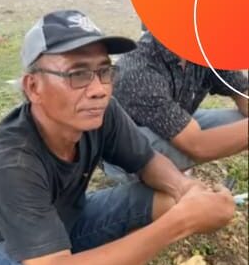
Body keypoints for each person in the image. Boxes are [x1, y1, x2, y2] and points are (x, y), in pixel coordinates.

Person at [0, 11, 236, 265]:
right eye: (77, 74)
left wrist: (187, 191)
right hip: (4, 244)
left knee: (168, 197)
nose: (99, 88)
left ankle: (70, 251)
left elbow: (146, 161)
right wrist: (180, 223)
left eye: (105, 71)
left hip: (69, 219)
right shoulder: (11, 161)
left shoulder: (101, 112)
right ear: (33, 87)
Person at [106, 32, 248, 179]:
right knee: (237, 134)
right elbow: (197, 146)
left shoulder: (203, 48)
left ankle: (177, 168)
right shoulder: (139, 70)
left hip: (174, 124)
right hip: (129, 150)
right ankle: (148, 180)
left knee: (239, 122)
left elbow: (242, 91)